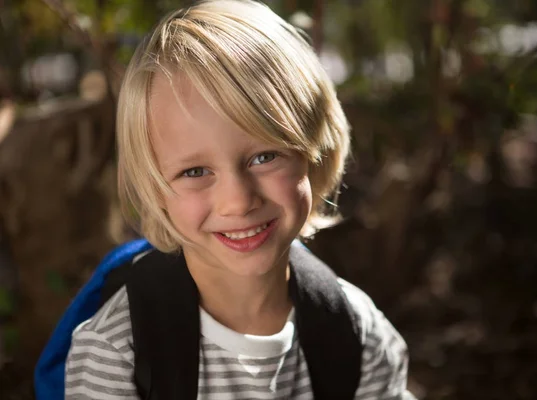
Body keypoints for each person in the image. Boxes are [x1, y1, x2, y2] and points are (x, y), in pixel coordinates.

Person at [64, 0, 416, 398]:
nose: (238, 201)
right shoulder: (116, 353)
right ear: (154, 190)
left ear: (313, 154)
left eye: (265, 156)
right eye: (195, 172)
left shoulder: (357, 333)